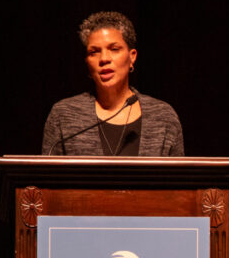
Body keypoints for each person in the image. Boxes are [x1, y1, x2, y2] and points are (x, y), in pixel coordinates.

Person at [42, 11, 184, 156]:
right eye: (94, 52)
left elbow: (177, 178)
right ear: (87, 62)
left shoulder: (163, 117)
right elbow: (48, 177)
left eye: (114, 49)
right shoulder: (63, 115)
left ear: (132, 57)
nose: (104, 59)